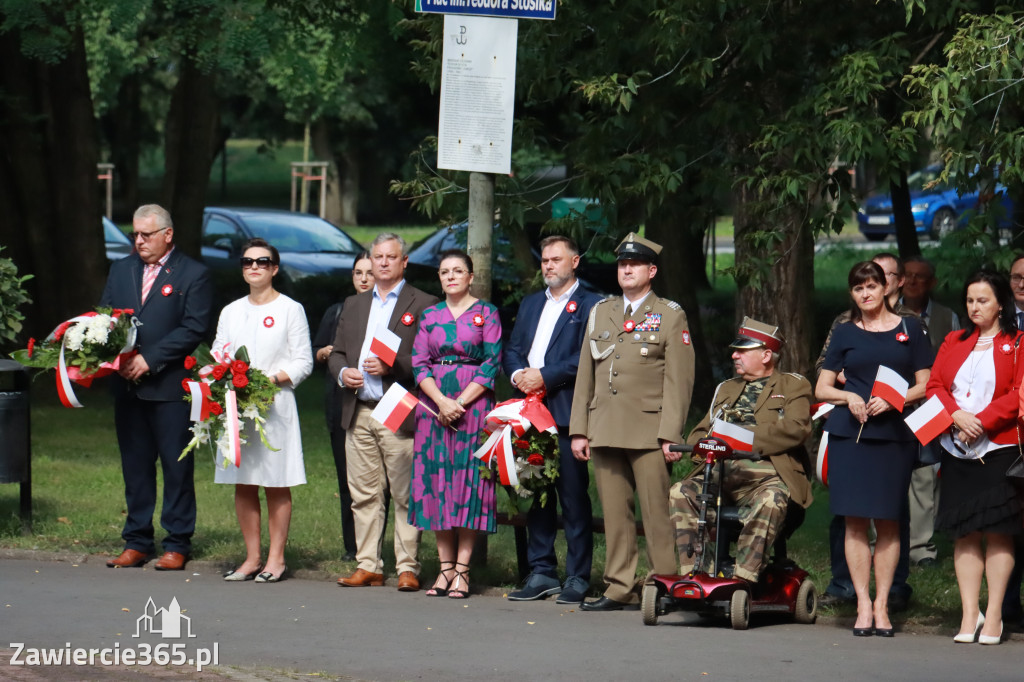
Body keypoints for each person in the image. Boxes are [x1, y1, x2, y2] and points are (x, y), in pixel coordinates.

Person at [569, 232, 695, 611]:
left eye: (634, 264)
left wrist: (670, 434)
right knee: (614, 514)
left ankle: (664, 584)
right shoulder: (601, 311)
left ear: (651, 271)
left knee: (657, 513)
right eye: (622, 264)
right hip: (604, 427)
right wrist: (579, 429)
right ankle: (619, 586)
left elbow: (679, 381)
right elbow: (585, 375)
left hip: (649, 431)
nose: (626, 269)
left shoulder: (671, 315)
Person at [816, 260, 932, 637]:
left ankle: (883, 605)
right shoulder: (845, 332)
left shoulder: (910, 327)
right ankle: (862, 604)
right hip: (851, 435)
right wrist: (847, 395)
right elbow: (822, 387)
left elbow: (926, 384)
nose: (865, 293)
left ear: (886, 288)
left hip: (893, 436)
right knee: (853, 521)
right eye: (857, 288)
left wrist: (896, 399)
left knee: (888, 522)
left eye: (871, 286)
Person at [100, 204, 213, 571]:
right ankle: (137, 540)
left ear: (168, 235)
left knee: (176, 466)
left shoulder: (194, 274)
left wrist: (151, 359)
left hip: (169, 387)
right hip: (127, 387)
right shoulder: (121, 269)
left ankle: (177, 542)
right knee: (135, 466)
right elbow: (105, 318)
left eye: (146, 235)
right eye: (135, 234)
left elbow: (194, 327)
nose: (139, 241)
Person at [328, 233, 438, 591]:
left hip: (398, 408)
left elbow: (430, 359)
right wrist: (343, 372)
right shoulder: (355, 303)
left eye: (392, 257)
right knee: (363, 493)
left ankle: (408, 566)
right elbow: (338, 354)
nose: (384, 263)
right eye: (378, 257)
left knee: (405, 492)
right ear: (370, 262)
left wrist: (392, 365)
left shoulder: (424, 303)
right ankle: (369, 564)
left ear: (404, 262)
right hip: (358, 408)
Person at [670, 318, 813, 583]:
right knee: (680, 492)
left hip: (766, 477)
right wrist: (709, 445)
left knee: (771, 499)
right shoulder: (726, 388)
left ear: (766, 355)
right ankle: (697, 573)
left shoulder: (793, 385)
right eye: (736, 350)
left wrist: (742, 439)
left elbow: (796, 428)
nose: (734, 355)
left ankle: (743, 578)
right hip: (719, 474)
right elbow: (699, 434)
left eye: (743, 350)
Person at [503, 236, 604, 603]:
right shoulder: (531, 304)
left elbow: (590, 358)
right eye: (544, 260)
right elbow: (513, 349)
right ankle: (541, 571)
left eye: (556, 259)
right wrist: (519, 376)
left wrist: (545, 376)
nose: (548, 266)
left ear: (574, 262)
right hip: (529, 413)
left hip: (564, 413)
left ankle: (577, 576)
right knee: (537, 495)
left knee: (574, 499)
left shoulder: (593, 305)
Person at [927, 271, 1023, 644]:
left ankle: (995, 614)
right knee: (965, 533)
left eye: (982, 300)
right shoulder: (954, 339)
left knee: (999, 534)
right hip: (956, 447)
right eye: (970, 300)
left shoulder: (1017, 343)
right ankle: (970, 614)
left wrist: (981, 421)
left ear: (1001, 303)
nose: (974, 307)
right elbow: (935, 385)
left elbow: (1018, 393)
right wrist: (955, 415)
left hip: (998, 448)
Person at [214, 239, 313, 583]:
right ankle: (252, 557)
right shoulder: (230, 311)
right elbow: (218, 354)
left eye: (262, 261)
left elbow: (304, 360)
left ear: (274, 268)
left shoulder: (291, 309)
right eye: (247, 262)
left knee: (276, 481)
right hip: (237, 407)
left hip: (275, 406)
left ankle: (276, 559)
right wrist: (222, 378)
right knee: (243, 481)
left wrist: (269, 380)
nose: (253, 267)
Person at [409, 249, 503, 599]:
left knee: (467, 483)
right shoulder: (429, 315)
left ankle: (463, 570)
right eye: (445, 271)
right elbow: (419, 363)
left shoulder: (486, 312)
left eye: (458, 271)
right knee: (438, 483)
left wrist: (460, 402)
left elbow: (492, 363)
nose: (451, 276)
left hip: (473, 407)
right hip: (433, 408)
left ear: (470, 276)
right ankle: (444, 569)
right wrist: (441, 402)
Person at [312, 251, 374, 562]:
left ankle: (376, 547)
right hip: (340, 405)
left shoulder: (388, 313)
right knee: (347, 478)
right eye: (358, 273)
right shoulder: (337, 312)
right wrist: (326, 353)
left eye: (369, 272)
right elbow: (315, 353)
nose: (363, 278)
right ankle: (353, 547)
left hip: (379, 404)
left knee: (382, 483)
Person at [901, 255, 960, 568]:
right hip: (888, 406)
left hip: (929, 407)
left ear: (932, 283)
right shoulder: (886, 313)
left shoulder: (947, 318)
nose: (911, 281)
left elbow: (956, 363)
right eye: (907, 275)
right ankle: (879, 543)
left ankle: (920, 548)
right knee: (885, 473)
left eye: (919, 277)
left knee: (924, 478)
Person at [1004, 253, 1024, 625]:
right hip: (1008, 434)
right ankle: (1008, 606)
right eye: (1017, 276)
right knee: (1012, 524)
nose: (1023, 283)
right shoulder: (999, 320)